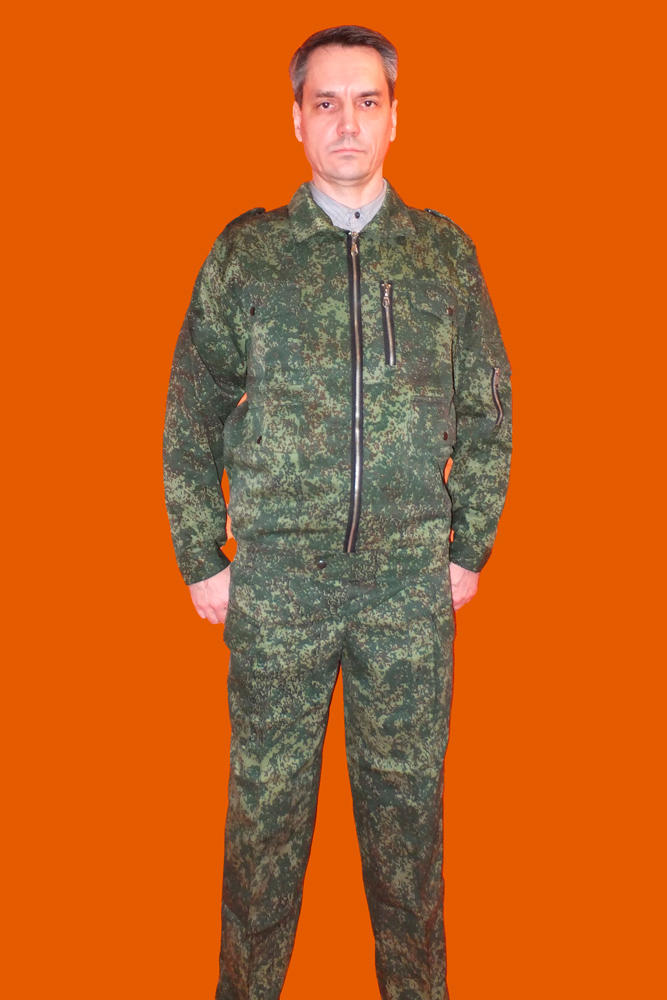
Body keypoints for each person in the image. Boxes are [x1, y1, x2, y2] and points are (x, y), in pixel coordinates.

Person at [163, 24, 511, 1000]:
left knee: (407, 828)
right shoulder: (250, 254)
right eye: (326, 103)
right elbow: (191, 404)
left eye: (366, 101)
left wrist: (469, 544)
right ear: (296, 119)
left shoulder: (441, 254)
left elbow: (488, 404)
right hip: (279, 586)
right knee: (262, 826)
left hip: (406, 588)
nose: (346, 122)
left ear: (395, 117)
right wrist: (202, 553)